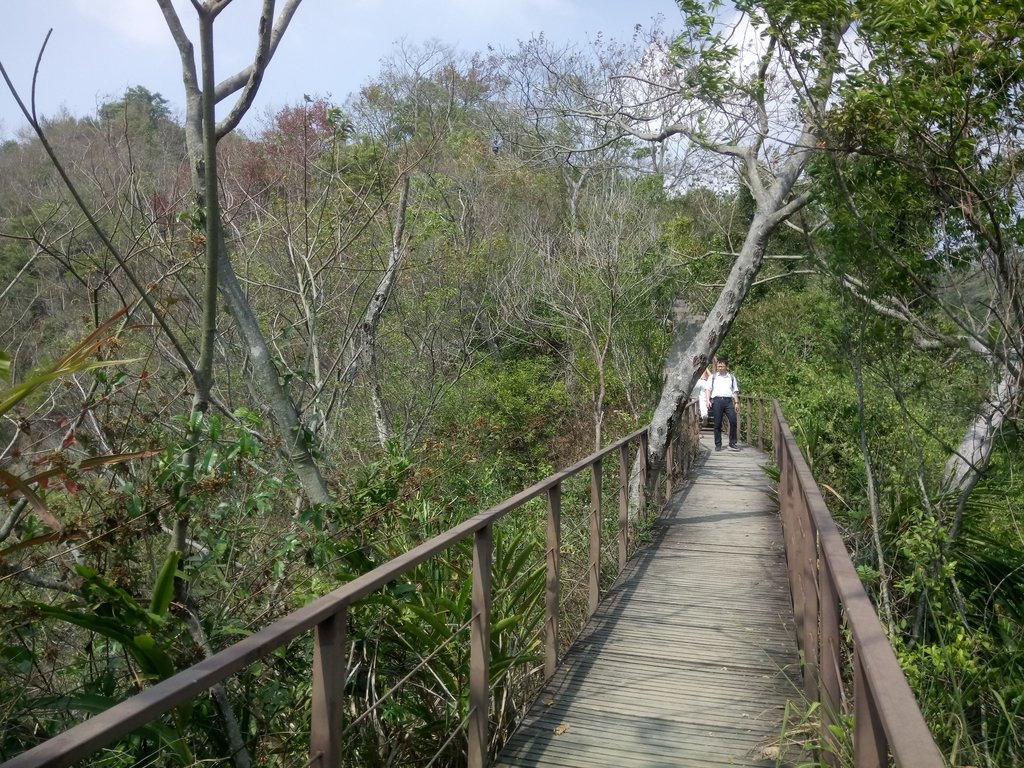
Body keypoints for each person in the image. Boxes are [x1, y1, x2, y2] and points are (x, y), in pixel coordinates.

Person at [708, 357, 740, 451]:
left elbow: (735, 391)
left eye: (722, 366)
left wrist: (736, 403)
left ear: (726, 366)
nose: (720, 368)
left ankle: (732, 442)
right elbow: (708, 389)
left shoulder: (731, 377)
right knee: (717, 423)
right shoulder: (713, 377)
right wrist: (708, 400)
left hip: (728, 401)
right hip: (717, 400)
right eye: (719, 366)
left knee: (733, 421)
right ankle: (718, 444)